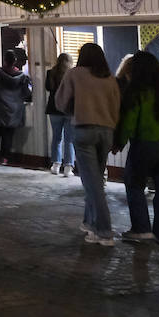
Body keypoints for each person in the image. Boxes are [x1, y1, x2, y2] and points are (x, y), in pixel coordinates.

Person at [56, 42, 121, 246]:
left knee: (93, 184)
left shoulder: (75, 74)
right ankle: (89, 222)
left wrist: (73, 111)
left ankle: (104, 230)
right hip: (107, 131)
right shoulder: (109, 78)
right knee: (95, 181)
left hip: (84, 129)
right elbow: (117, 106)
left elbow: (60, 101)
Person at [117, 51, 159, 246]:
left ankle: (142, 229)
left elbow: (129, 123)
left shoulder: (136, 92)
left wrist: (118, 142)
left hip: (145, 144)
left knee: (134, 184)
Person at [0, 49, 32, 165]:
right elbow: (27, 93)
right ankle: (4, 159)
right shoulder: (22, 77)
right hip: (13, 110)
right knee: (8, 135)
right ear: (15, 61)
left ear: (5, 60)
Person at [45, 53, 75, 176]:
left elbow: (48, 88)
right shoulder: (72, 74)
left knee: (56, 138)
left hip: (54, 109)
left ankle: (56, 165)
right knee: (69, 140)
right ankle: (68, 167)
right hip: (69, 109)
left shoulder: (50, 73)